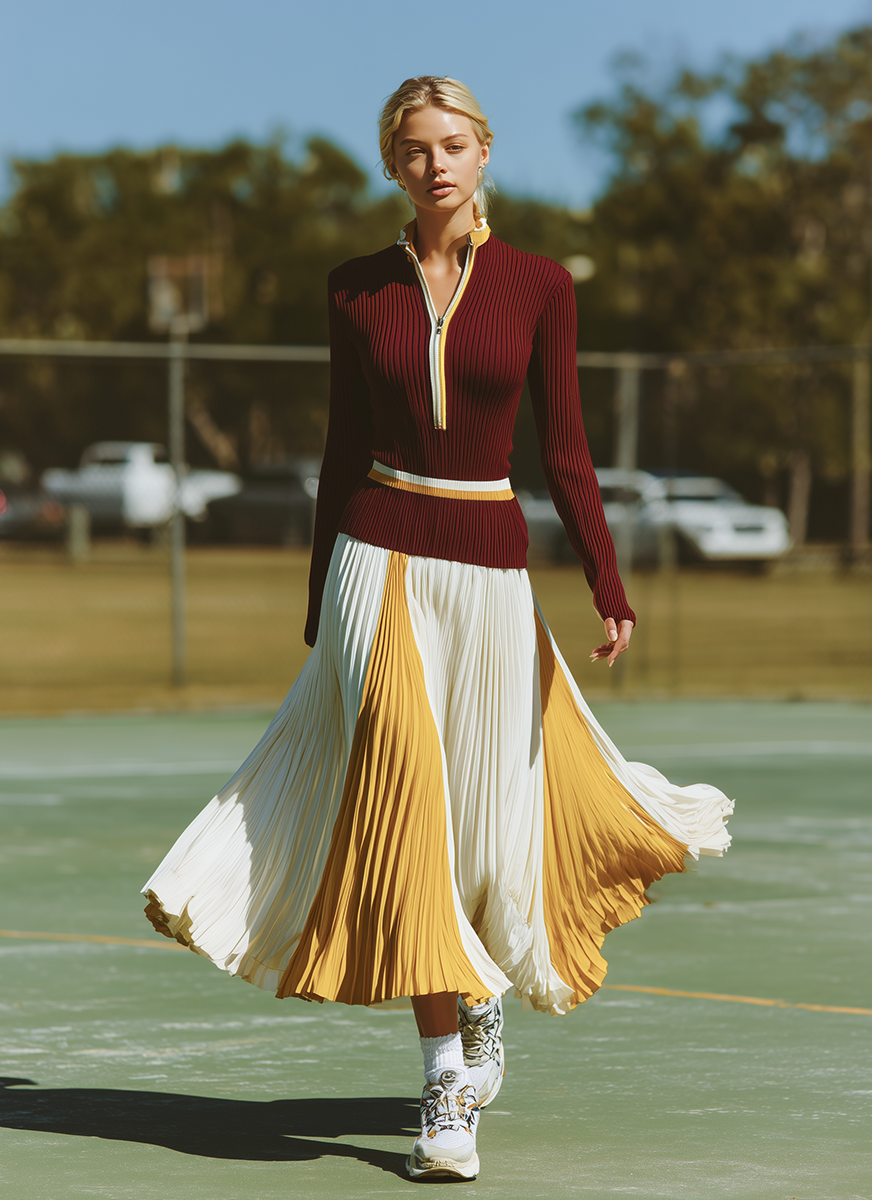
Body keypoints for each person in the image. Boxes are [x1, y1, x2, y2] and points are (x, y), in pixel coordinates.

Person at [142, 76, 733, 1183]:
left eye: (454, 145)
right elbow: (339, 448)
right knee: (405, 807)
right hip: (376, 563)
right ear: (392, 164)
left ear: (484, 152)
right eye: (415, 149)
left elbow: (566, 450)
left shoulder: (542, 285)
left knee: (480, 820)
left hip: (492, 572)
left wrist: (607, 582)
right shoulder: (354, 288)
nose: (436, 165)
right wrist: (319, 594)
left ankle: (478, 990)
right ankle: (444, 1082)